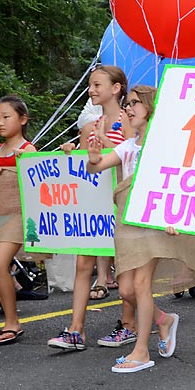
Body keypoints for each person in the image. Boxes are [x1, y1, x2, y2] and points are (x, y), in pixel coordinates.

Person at [86, 85, 195, 372]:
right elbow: (98, 167)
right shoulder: (129, 147)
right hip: (128, 224)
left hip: (153, 222)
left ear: (151, 107)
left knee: (140, 285)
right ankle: (163, 320)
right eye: (127, 104)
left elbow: (177, 182)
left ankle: (141, 351)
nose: (129, 108)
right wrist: (93, 158)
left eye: (135, 103)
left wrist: (174, 217)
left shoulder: (164, 145)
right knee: (127, 289)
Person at [47, 65, 138, 352]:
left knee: (125, 268)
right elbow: (87, 162)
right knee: (83, 263)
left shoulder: (128, 121)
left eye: (98, 84)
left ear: (116, 88)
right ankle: (76, 330)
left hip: (121, 202)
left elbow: (134, 157)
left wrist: (112, 146)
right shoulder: (90, 125)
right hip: (93, 204)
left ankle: (128, 324)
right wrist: (69, 152)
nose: (92, 90)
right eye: (90, 85)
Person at [0, 96, 37, 344]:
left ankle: (12, 323)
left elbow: (37, 183)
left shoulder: (28, 149)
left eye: (6, 117)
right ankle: (10, 321)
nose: (0, 123)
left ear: (22, 119)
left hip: (16, 215)